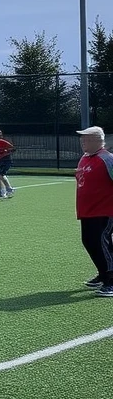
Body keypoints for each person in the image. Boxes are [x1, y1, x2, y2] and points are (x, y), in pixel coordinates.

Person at [74, 125, 113, 297]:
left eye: (87, 138)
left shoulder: (107, 159)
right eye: (82, 138)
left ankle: (111, 281)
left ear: (98, 140)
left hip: (105, 210)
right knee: (89, 241)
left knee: (101, 242)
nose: (83, 141)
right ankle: (103, 273)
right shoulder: (84, 158)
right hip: (87, 210)